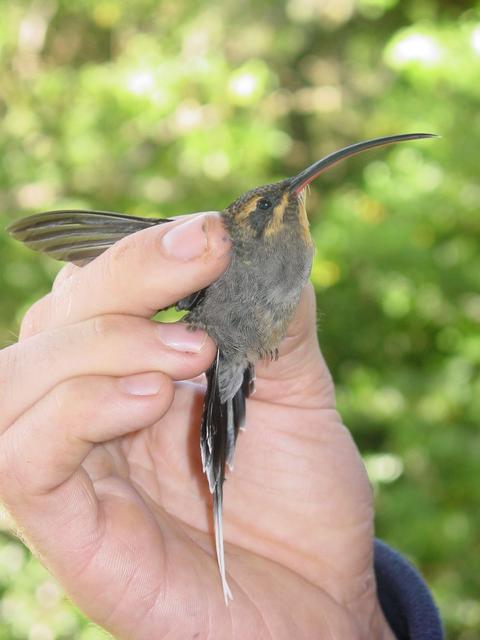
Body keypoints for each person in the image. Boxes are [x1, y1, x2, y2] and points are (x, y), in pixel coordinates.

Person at [0, 212, 443, 639]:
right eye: (269, 206)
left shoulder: (279, 263)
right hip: (221, 346)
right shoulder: (231, 249)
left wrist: (357, 613)